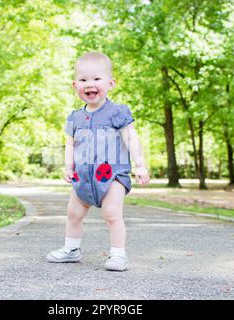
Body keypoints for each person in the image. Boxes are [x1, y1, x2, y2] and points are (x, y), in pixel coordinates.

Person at [46, 52, 150, 271]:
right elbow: (70, 144)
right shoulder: (74, 117)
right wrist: (68, 166)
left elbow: (131, 137)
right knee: (73, 213)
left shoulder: (117, 112)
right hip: (83, 176)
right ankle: (72, 249)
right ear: (75, 85)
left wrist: (140, 164)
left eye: (96, 79)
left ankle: (118, 254)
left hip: (112, 175)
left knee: (112, 214)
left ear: (110, 83)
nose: (89, 84)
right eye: (83, 80)